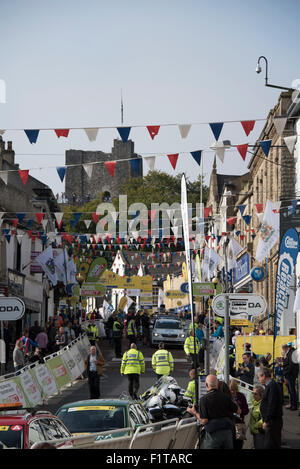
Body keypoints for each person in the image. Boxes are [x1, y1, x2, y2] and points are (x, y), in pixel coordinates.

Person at [187, 374, 239, 449]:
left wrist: (194, 412)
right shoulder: (225, 397)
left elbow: (204, 420)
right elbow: (238, 411)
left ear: (206, 384)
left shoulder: (204, 399)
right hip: (227, 432)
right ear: (217, 384)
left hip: (213, 433)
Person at [258, 367, 283, 449]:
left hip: (273, 422)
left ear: (264, 376)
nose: (258, 379)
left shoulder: (272, 386)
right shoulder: (270, 385)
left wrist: (266, 421)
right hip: (273, 421)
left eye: (259, 377)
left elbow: (271, 405)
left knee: (270, 444)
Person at [229, 379, 249, 449]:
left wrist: (241, 412)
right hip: (229, 425)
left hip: (239, 425)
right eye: (230, 389)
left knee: (238, 445)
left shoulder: (241, 396)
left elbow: (246, 410)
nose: (232, 391)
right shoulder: (226, 397)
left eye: (234, 389)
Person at [282, 343, 299, 411]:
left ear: (285, 348)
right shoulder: (291, 353)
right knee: (291, 390)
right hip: (290, 374)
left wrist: (285, 372)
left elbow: (291, 365)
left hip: (291, 375)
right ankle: (292, 404)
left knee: (292, 391)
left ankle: (294, 405)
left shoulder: (291, 353)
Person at [249, 385, 265, 449]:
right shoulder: (254, 402)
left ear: (261, 395)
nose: (253, 395)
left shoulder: (262, 405)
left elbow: (264, 418)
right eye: (252, 393)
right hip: (255, 432)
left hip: (259, 432)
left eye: (255, 394)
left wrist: (255, 426)